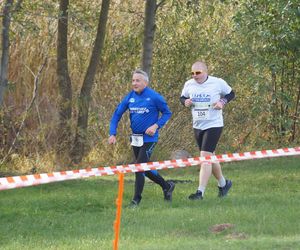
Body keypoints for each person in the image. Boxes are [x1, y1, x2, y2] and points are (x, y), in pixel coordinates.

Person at [108, 69, 175, 207]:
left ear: (145, 82)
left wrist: (156, 126)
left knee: (139, 167)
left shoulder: (154, 97)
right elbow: (117, 114)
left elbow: (167, 113)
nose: (134, 83)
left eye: (138, 80)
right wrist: (112, 133)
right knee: (144, 167)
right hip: (136, 138)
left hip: (149, 139)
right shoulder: (130, 97)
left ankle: (136, 200)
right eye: (133, 80)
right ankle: (167, 186)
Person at [180, 61, 235, 200]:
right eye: (192, 73)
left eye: (198, 73)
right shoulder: (189, 84)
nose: (195, 76)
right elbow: (183, 97)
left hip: (214, 124)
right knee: (210, 156)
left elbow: (231, 93)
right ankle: (224, 184)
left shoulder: (217, 82)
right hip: (198, 125)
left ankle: (200, 192)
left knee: (204, 157)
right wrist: (185, 102)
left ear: (206, 72)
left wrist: (222, 102)